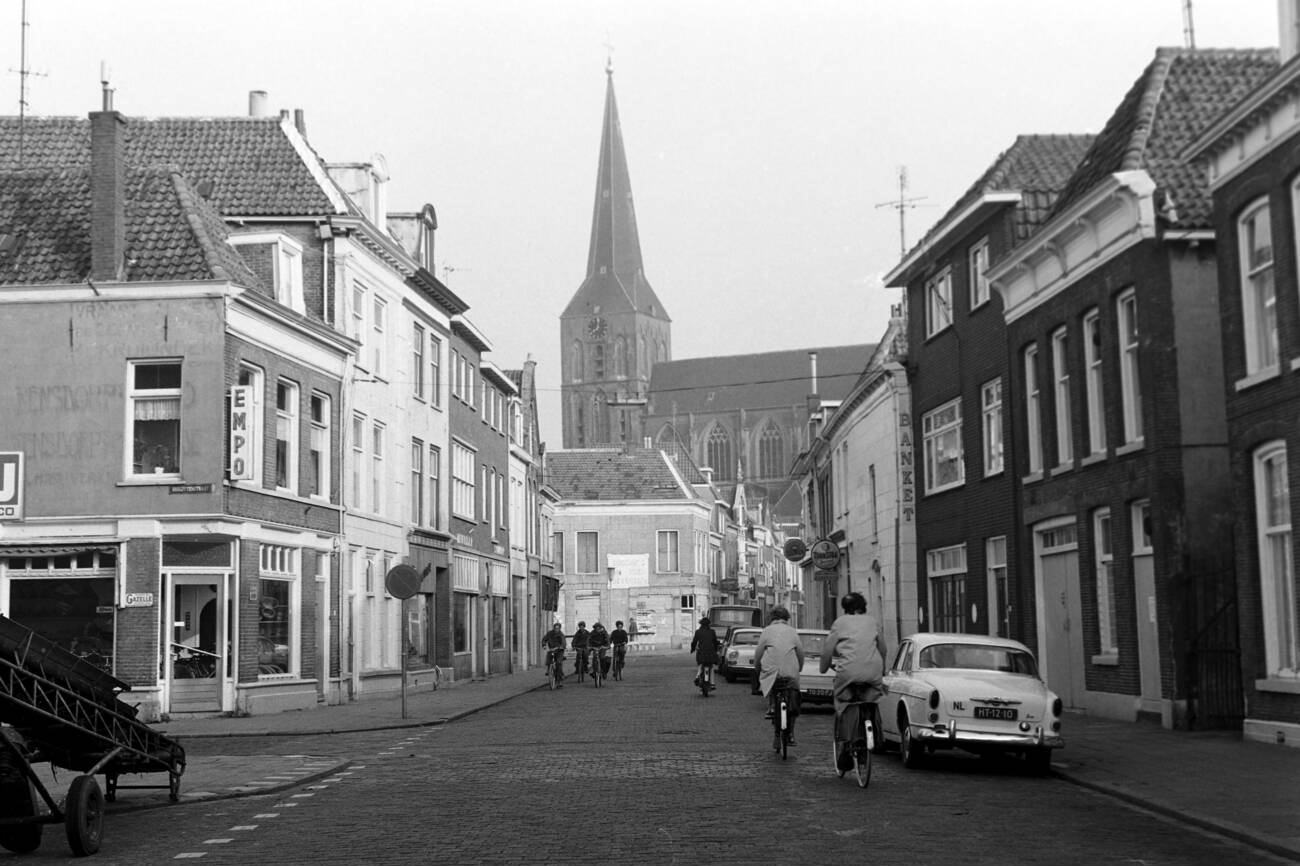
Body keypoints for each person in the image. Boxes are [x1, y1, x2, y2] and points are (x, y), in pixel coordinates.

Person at [820, 591, 889, 751]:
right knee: (872, 699)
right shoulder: (873, 622)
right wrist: (882, 669)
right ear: (863, 606)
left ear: (844, 607)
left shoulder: (840, 623)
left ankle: (845, 743)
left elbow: (827, 651)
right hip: (873, 671)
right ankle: (875, 730)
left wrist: (824, 668)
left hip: (848, 673)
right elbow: (883, 649)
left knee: (842, 700)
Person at [753, 606, 805, 747]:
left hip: (771, 671)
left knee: (771, 683)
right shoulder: (792, 632)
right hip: (790, 672)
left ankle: (772, 708)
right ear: (787, 618)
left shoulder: (767, 631)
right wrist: (798, 668)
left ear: (772, 617)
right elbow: (800, 653)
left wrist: (758, 670)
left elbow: (758, 654)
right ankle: (791, 734)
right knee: (794, 701)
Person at [690, 616, 721, 690]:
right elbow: (715, 642)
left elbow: (694, 642)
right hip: (711, 653)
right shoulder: (712, 631)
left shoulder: (698, 632)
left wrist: (692, 649)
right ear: (708, 624)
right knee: (711, 667)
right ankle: (712, 683)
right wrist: (716, 649)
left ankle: (697, 676)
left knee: (701, 664)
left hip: (701, 652)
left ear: (701, 624)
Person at [542, 622, 566, 687]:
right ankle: (549, 669)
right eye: (555, 628)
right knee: (549, 656)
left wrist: (561, 646)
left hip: (559, 650)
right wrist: (544, 645)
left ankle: (559, 680)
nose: (556, 629)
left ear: (560, 629)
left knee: (558, 663)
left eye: (558, 628)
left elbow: (563, 642)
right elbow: (544, 639)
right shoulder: (550, 633)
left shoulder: (561, 635)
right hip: (552, 649)